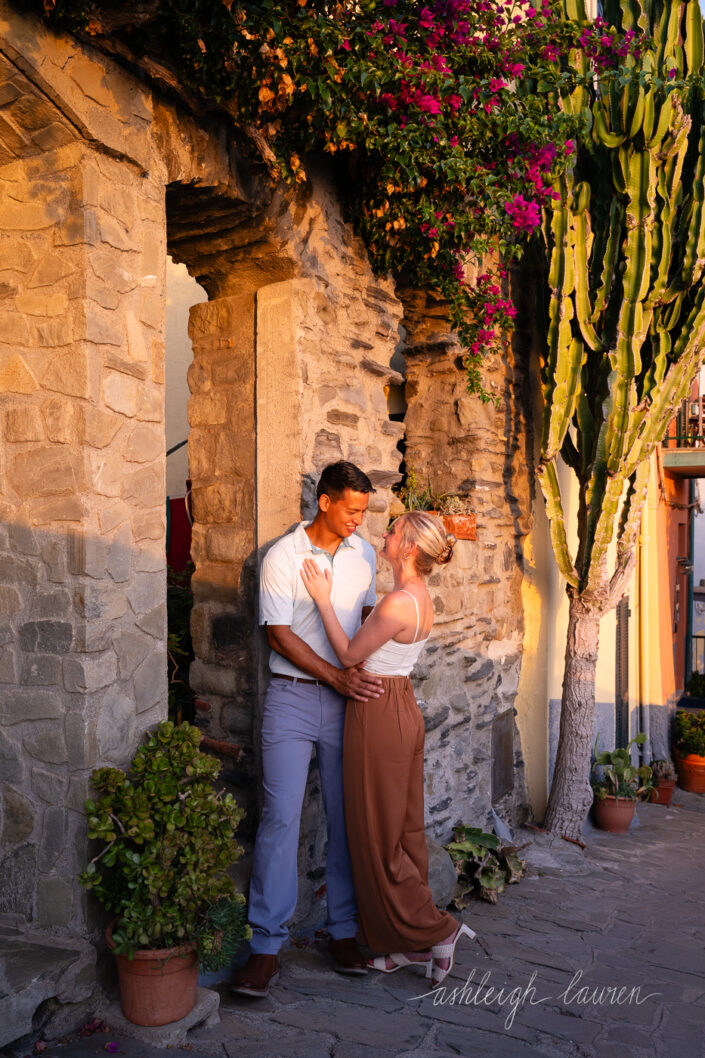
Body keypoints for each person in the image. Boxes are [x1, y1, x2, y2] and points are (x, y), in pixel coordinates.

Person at [299, 510, 475, 987]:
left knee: (377, 836)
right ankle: (405, 946)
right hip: (397, 704)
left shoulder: (399, 601)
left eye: (394, 531)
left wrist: (320, 600)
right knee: (401, 830)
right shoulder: (416, 597)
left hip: (378, 712)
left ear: (410, 548)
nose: (385, 533)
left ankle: (438, 931)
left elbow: (349, 655)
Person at [231, 461, 384, 998]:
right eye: (351, 510)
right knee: (279, 819)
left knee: (346, 820)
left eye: (364, 512)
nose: (358, 522)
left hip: (349, 706)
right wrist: (337, 678)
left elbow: (366, 622)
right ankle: (265, 950)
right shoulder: (283, 557)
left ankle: (342, 932)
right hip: (292, 700)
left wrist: (358, 681)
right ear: (324, 502)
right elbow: (278, 635)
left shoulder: (364, 555)